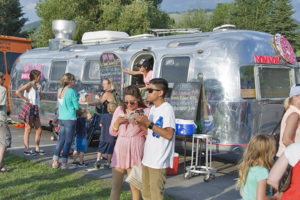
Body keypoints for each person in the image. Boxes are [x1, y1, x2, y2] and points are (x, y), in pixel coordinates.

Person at [134, 78, 176, 200]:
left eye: (150, 90)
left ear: (160, 92)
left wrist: (148, 123)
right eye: (147, 90)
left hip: (158, 160)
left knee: (156, 195)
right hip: (148, 158)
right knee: (146, 194)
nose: (147, 93)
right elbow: (150, 133)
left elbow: (169, 135)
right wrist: (140, 124)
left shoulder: (167, 109)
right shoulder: (153, 109)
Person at [109, 85, 149, 200]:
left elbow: (149, 134)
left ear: (138, 99)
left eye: (132, 102)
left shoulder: (145, 111)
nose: (129, 105)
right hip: (121, 147)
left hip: (136, 147)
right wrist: (117, 123)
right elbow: (112, 132)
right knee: (116, 185)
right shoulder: (119, 110)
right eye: (126, 102)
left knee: (135, 186)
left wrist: (140, 124)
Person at [237, 134, 280, 200]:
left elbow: (242, 193)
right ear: (268, 153)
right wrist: (276, 197)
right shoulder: (262, 172)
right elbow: (261, 198)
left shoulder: (246, 167)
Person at [52, 73, 79, 170]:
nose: (75, 81)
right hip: (70, 118)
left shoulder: (60, 90)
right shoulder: (71, 91)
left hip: (62, 118)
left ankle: (55, 161)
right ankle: (64, 163)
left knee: (61, 140)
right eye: (74, 79)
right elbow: (76, 106)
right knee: (68, 141)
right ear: (70, 81)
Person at [16, 69, 44, 155]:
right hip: (30, 107)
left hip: (35, 108)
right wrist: (25, 99)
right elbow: (18, 92)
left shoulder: (36, 85)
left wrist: (39, 91)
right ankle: (26, 150)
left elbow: (39, 99)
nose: (40, 77)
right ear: (35, 77)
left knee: (39, 129)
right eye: (39, 76)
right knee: (28, 129)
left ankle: (37, 148)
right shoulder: (29, 84)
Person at [276, 84, 300, 158]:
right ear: (295, 96)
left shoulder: (294, 112)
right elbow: (286, 140)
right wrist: (297, 154)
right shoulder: (294, 114)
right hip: (287, 160)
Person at [94, 102, 117, 169]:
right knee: (110, 151)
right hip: (111, 137)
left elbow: (100, 125)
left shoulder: (104, 116)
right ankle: (108, 163)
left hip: (103, 136)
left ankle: (98, 161)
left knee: (100, 150)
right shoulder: (115, 117)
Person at [0, 72, 12, 172]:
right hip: (1, 119)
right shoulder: (2, 89)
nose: (4, 81)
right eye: (3, 79)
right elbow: (1, 104)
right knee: (4, 142)